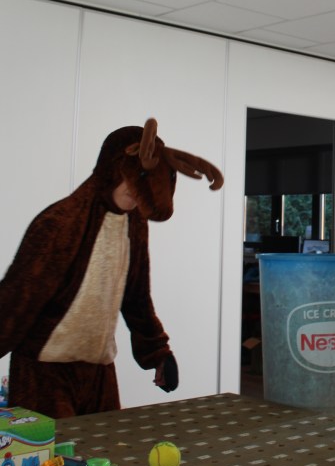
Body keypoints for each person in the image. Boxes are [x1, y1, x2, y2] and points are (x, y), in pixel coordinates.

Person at [0, 118, 223, 419]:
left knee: (105, 447)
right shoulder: (60, 222)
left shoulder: (135, 224)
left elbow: (136, 297)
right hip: (44, 372)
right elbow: (17, 299)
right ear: (111, 168)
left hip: (99, 370)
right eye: (132, 177)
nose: (135, 191)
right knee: (55, 449)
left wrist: (157, 353)